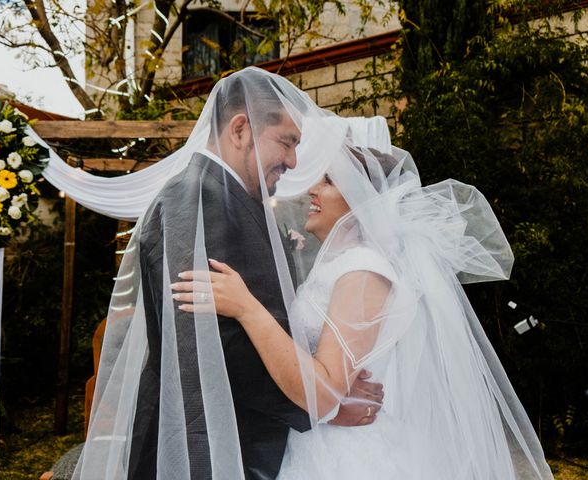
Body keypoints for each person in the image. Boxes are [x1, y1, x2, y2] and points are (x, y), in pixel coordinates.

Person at [173, 138, 555, 479]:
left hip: (344, 456)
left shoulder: (363, 272)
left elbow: (323, 392)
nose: (312, 190)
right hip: (321, 441)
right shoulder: (345, 265)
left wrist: (246, 308)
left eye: (328, 182)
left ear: (362, 201)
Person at [74, 68, 383, 480]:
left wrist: (324, 384)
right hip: (213, 449)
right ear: (240, 129)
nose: (293, 161)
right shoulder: (200, 200)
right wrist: (321, 402)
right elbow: (211, 343)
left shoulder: (230, 195)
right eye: (287, 142)